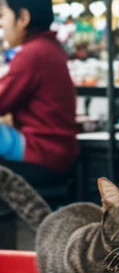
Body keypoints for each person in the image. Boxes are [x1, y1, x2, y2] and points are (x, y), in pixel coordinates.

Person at [0, 0, 78, 185]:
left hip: (42, 152)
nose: (1, 24)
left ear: (23, 18)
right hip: (57, 152)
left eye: (3, 15)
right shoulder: (48, 48)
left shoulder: (33, 53)